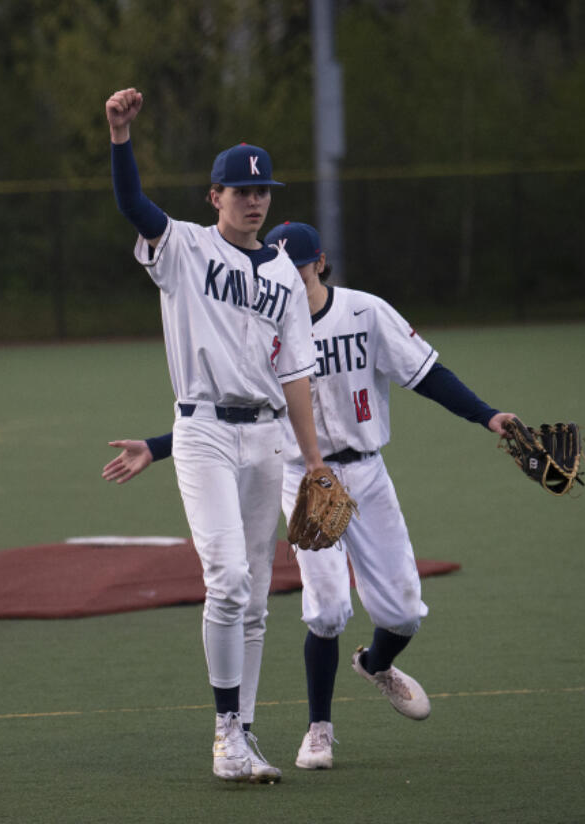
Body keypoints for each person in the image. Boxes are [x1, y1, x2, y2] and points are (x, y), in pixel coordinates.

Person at [102, 220, 516, 772]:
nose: (289, 281)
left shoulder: (366, 313)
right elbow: (234, 410)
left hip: (366, 472)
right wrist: (158, 447)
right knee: (327, 608)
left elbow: (428, 374)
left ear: (319, 263)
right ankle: (319, 728)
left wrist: (487, 416)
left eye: (298, 269)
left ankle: (375, 663)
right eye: (281, 271)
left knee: (403, 612)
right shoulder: (265, 324)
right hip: (300, 477)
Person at [105, 87, 328, 783]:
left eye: (262, 189)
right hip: (202, 432)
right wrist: (120, 139)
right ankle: (225, 732)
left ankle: (246, 733)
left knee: (257, 594)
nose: (253, 199)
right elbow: (134, 207)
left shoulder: (288, 281)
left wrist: (315, 460)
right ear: (214, 196)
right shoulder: (185, 248)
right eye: (240, 188)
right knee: (227, 578)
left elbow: (295, 374)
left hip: (267, 442)